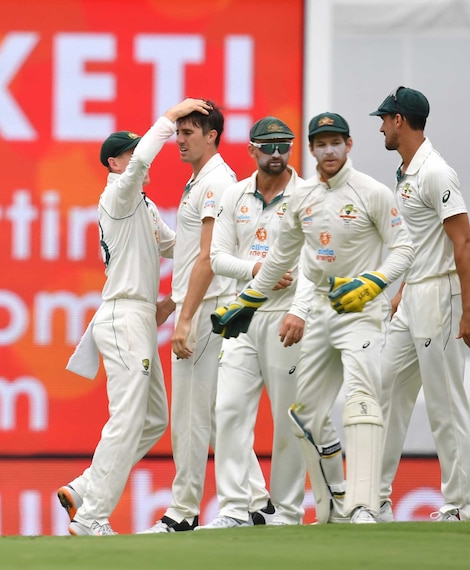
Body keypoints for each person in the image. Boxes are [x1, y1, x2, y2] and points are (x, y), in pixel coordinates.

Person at [211, 112, 414, 524]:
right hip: (318, 313)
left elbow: (405, 249)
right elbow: (280, 260)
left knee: (360, 401)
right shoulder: (305, 200)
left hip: (360, 312)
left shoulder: (371, 192)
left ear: (349, 145)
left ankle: (362, 506)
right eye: (321, 144)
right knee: (302, 415)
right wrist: (246, 301)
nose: (329, 151)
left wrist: (374, 283)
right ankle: (330, 508)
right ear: (313, 149)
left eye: (335, 142)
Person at [57, 98, 212, 536]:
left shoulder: (142, 205)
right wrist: (171, 115)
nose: (139, 158)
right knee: (126, 417)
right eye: (131, 153)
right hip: (124, 316)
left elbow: (175, 247)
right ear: (114, 162)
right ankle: (91, 518)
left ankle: (85, 489)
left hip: (139, 315)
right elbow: (146, 153)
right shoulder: (118, 192)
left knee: (153, 419)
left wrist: (219, 234)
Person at [140, 101, 269, 534]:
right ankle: (258, 502)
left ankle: (182, 512)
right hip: (206, 305)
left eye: (189, 132)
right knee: (214, 413)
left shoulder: (214, 181)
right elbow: (191, 254)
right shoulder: (202, 180)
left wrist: (185, 317)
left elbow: (209, 259)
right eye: (177, 133)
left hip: (210, 307)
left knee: (191, 417)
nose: (179, 140)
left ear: (212, 135)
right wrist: (174, 303)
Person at [200, 117, 308, 528]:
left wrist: (301, 307)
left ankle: (286, 510)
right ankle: (233, 508)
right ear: (252, 151)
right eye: (268, 146)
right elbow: (217, 258)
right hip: (244, 311)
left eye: (284, 145)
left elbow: (314, 263)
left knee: (287, 416)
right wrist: (257, 270)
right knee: (228, 409)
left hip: (287, 316)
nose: (277, 154)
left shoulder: (306, 195)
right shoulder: (234, 195)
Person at [371, 86, 470, 522]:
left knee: (446, 404)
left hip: (442, 296)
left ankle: (460, 504)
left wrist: (468, 309)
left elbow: (463, 243)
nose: (381, 127)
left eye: (386, 119)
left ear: (401, 121)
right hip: (415, 296)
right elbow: (418, 241)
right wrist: (403, 290)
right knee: (385, 388)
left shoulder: (436, 172)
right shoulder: (406, 171)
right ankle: (374, 498)